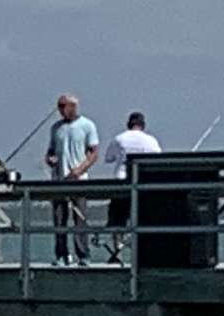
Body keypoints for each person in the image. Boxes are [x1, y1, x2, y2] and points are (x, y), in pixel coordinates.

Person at [43, 94, 101, 265]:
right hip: (59, 179)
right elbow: (50, 151)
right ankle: (61, 254)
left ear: (73, 106)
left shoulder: (87, 125)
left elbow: (94, 153)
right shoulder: (56, 128)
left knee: (79, 218)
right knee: (59, 218)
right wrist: (50, 159)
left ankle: (83, 255)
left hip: (79, 179)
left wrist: (80, 169)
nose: (60, 110)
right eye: (59, 106)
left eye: (63, 106)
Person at [105, 111, 163, 263]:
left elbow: (108, 158)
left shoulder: (119, 139)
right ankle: (145, 254)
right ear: (143, 125)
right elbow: (158, 160)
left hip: (121, 184)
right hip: (143, 185)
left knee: (117, 221)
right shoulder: (151, 141)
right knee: (144, 220)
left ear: (128, 124)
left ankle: (117, 251)